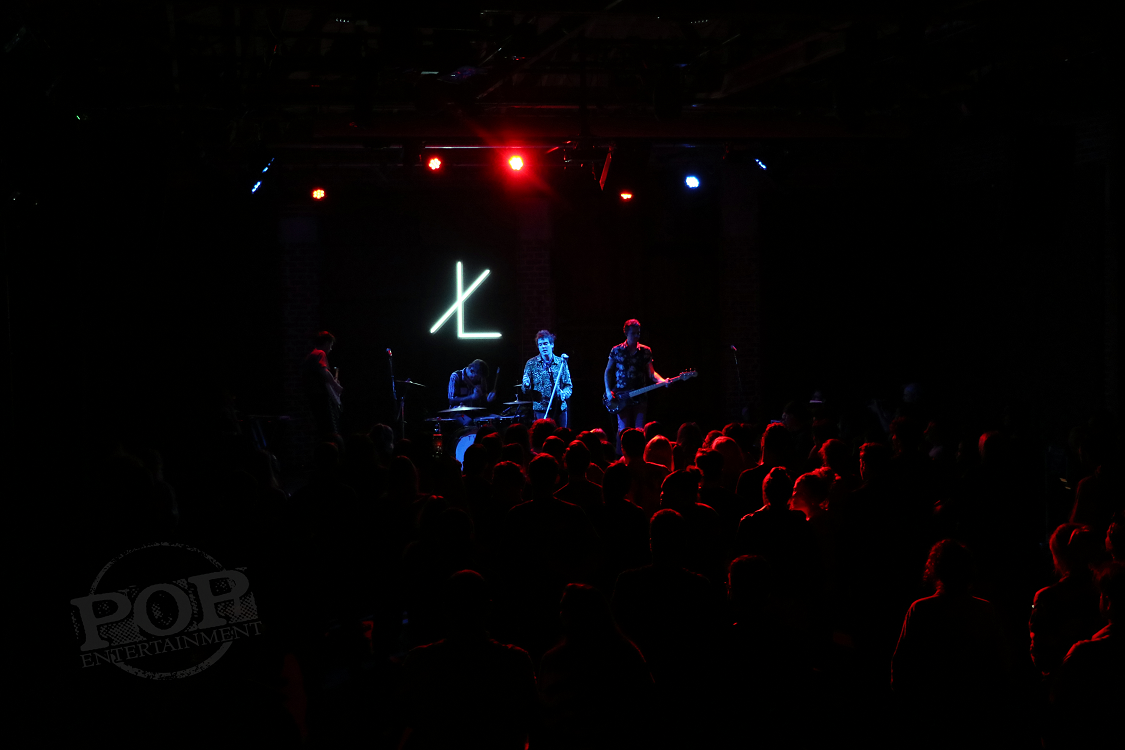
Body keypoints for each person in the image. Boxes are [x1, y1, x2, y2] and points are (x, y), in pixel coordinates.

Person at [604, 319, 667, 454]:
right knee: (623, 430)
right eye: (634, 333)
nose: (637, 336)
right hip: (621, 396)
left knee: (640, 431)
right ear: (626, 333)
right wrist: (608, 392)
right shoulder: (616, 350)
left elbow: (652, 373)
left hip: (640, 397)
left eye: (638, 333)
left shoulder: (645, 351)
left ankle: (639, 457)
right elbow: (608, 371)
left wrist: (662, 381)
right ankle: (621, 457)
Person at [522, 330, 573, 428]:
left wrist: (564, 394)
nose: (543, 347)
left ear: (552, 345)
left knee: (562, 434)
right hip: (541, 409)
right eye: (540, 345)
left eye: (545, 344)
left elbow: (568, 385)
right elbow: (525, 390)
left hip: (560, 408)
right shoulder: (531, 364)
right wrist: (526, 385)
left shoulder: (561, 362)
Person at [301, 331, 344, 441]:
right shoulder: (320, 353)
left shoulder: (311, 355)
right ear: (326, 343)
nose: (331, 349)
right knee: (330, 426)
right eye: (330, 345)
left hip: (313, 395)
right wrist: (335, 385)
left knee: (321, 426)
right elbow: (324, 371)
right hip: (320, 394)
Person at [448, 359, 497, 425]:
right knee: (469, 422)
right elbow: (451, 400)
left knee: (496, 419)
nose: (479, 379)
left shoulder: (481, 378)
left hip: (475, 412)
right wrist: (471, 397)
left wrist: (488, 398)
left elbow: (483, 396)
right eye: (477, 377)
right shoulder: (456, 376)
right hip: (458, 412)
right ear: (471, 371)